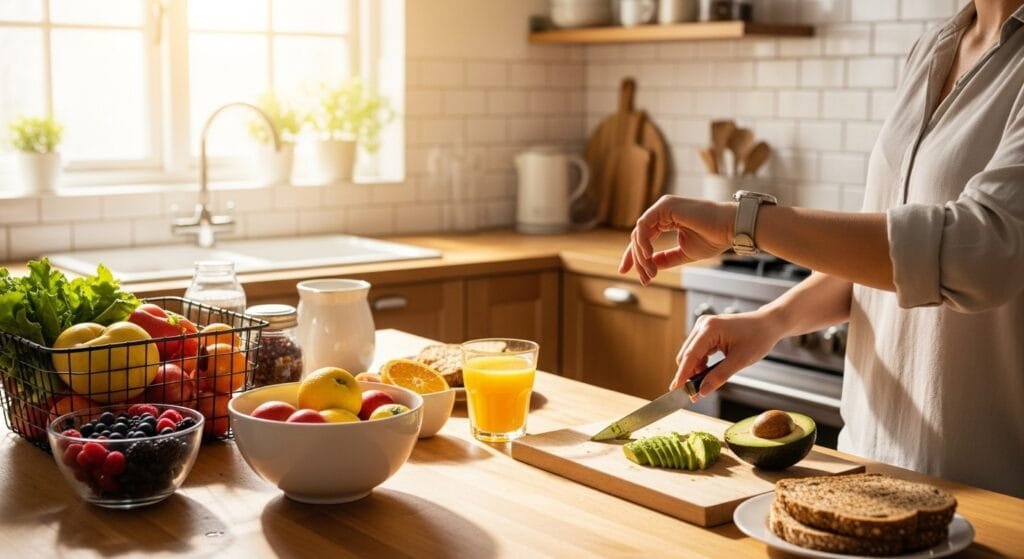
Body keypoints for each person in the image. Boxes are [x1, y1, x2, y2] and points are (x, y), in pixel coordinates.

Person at [619, 0, 1024, 498]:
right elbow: (898, 258)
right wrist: (772, 321)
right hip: (869, 470)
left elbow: (978, 254)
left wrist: (741, 223)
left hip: (987, 495)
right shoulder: (934, 47)